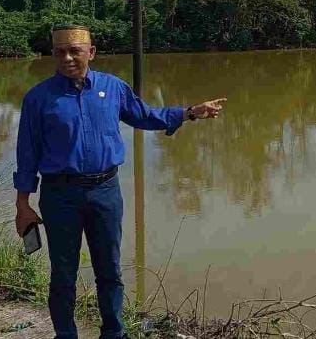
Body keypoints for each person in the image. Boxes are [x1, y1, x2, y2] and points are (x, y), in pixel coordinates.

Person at [13, 24, 226, 339]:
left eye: (75, 51)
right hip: (60, 195)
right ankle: (65, 334)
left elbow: (145, 115)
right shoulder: (38, 98)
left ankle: (113, 332)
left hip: (105, 191)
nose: (68, 58)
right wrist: (23, 204)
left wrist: (189, 113)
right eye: (60, 52)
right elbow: (27, 153)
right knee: (63, 274)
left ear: (91, 52)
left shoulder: (112, 88)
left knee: (110, 270)